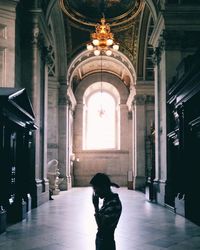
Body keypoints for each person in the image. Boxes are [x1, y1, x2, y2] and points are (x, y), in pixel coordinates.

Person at [90, 173, 122, 250]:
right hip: (102, 240)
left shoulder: (113, 203)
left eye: (95, 188)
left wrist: (96, 207)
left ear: (104, 187)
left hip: (106, 243)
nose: (95, 192)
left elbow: (102, 227)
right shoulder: (108, 200)